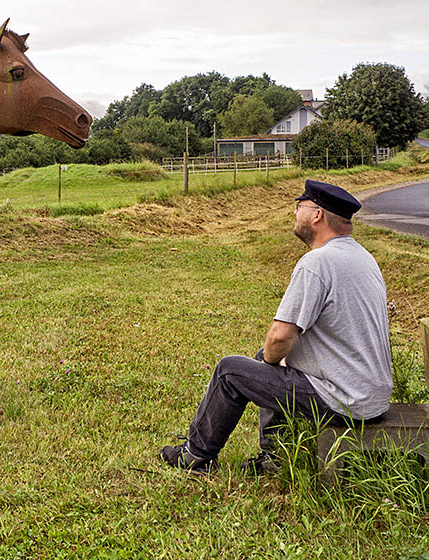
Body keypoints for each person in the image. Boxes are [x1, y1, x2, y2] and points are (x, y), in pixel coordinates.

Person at [161, 179, 392, 475]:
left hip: (346, 400)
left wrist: (271, 361)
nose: (295, 214)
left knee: (231, 370)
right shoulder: (363, 257)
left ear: (317, 215)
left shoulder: (318, 263)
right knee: (267, 362)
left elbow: (281, 336)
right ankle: (274, 457)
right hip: (370, 395)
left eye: (299, 208)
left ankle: (195, 456)